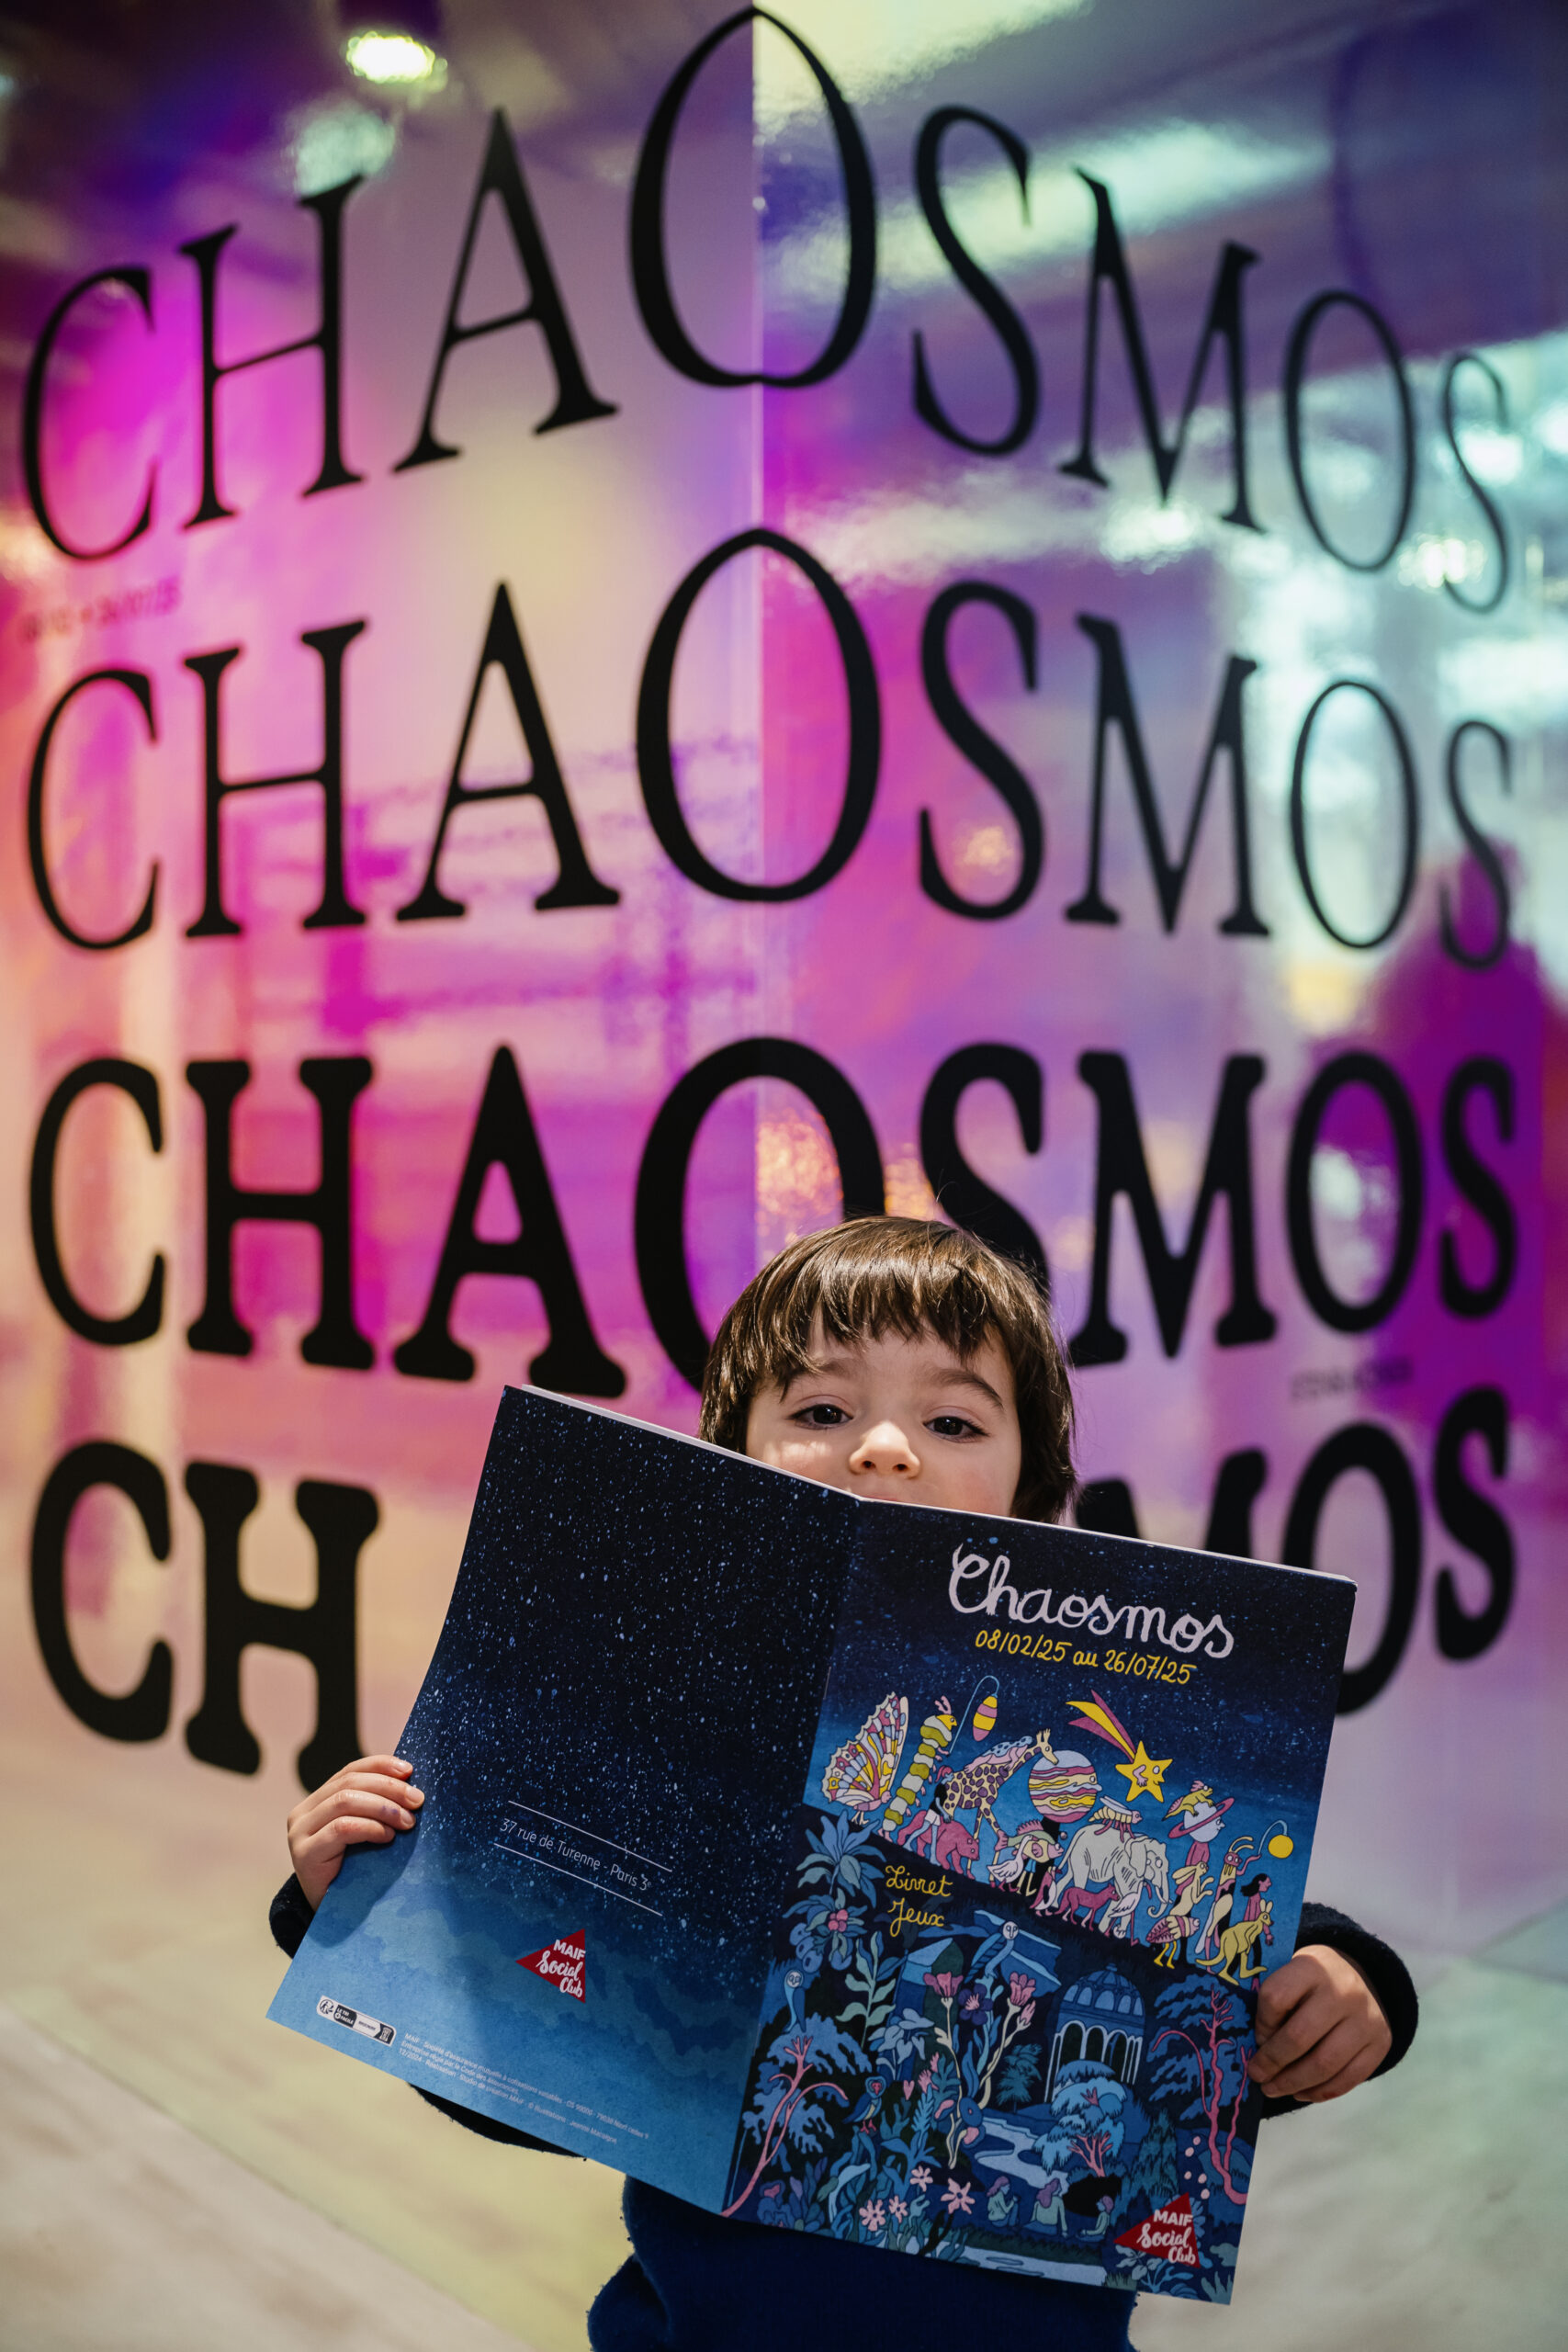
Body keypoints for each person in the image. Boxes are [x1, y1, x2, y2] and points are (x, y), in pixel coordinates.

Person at [272, 1216, 1419, 2350]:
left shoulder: (1069, 1765)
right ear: (735, 1457)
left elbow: (1195, 1968)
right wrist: (355, 1898)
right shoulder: (680, 1746)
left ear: (1031, 1488)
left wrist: (1345, 1978)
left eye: (952, 1420)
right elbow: (540, 2081)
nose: (883, 1445)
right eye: (821, 1410)